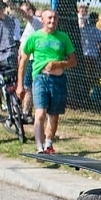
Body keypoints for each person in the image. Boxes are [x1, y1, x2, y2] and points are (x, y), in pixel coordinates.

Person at [17, 9, 77, 155]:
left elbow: (73, 61)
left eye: (55, 18)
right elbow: (23, 61)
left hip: (58, 80)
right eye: (49, 18)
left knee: (54, 115)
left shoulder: (63, 37)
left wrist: (58, 64)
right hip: (40, 78)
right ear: (42, 20)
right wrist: (20, 85)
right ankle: (39, 147)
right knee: (40, 113)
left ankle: (48, 144)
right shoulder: (34, 37)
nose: (52, 20)